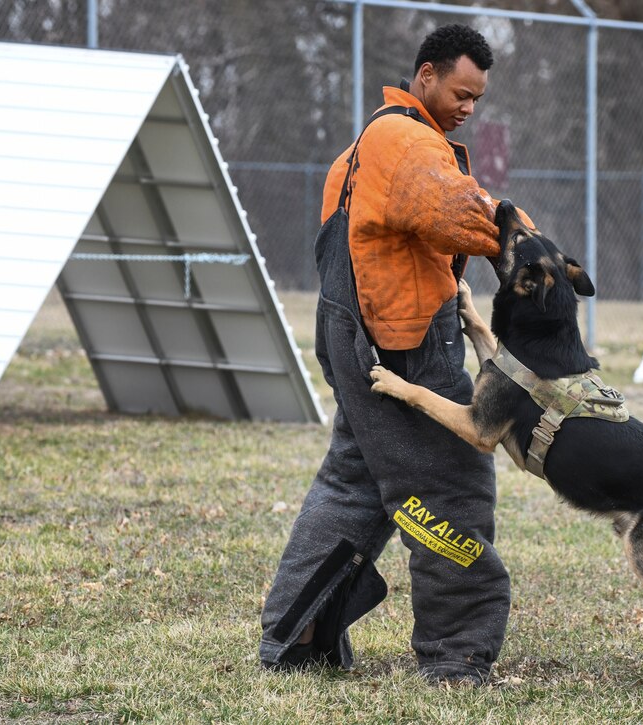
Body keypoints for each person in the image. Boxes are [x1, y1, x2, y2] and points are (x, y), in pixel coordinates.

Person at [259, 24, 535, 685]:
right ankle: (455, 653)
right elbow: (459, 211)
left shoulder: (369, 144)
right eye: (461, 92)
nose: (468, 107)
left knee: (355, 483)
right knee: (450, 484)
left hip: (358, 336)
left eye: (478, 99)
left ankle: (295, 632)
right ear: (426, 75)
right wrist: (528, 243)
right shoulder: (408, 142)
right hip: (402, 342)